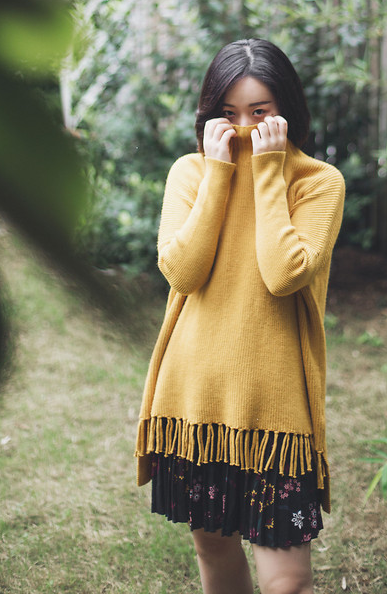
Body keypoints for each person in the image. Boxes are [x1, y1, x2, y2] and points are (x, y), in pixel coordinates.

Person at [135, 38, 345, 594]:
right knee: (215, 557)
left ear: (287, 112)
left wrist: (269, 171)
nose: (243, 127)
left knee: (288, 580)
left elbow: (283, 274)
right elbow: (182, 271)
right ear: (209, 114)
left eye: (260, 112)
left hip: (277, 416)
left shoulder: (318, 182)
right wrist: (220, 174)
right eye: (228, 114)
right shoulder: (189, 173)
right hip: (194, 404)